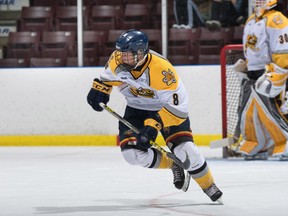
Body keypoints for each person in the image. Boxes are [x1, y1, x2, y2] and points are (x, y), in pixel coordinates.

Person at [86, 29, 223, 203]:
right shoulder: (117, 59)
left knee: (186, 151)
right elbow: (107, 78)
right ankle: (174, 164)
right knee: (132, 155)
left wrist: (153, 125)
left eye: (128, 54)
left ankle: (208, 185)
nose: (122, 58)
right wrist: (100, 89)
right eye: (121, 53)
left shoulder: (162, 71)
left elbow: (178, 108)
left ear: (141, 52)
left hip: (167, 111)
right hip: (136, 109)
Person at [234, 0, 288, 160]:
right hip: (252, 73)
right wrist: (246, 65)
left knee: (273, 113)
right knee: (248, 113)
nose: (258, 1)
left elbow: (283, 52)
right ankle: (255, 144)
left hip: (268, 73)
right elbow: (250, 48)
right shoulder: (251, 20)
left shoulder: (278, 20)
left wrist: (278, 74)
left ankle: (284, 143)